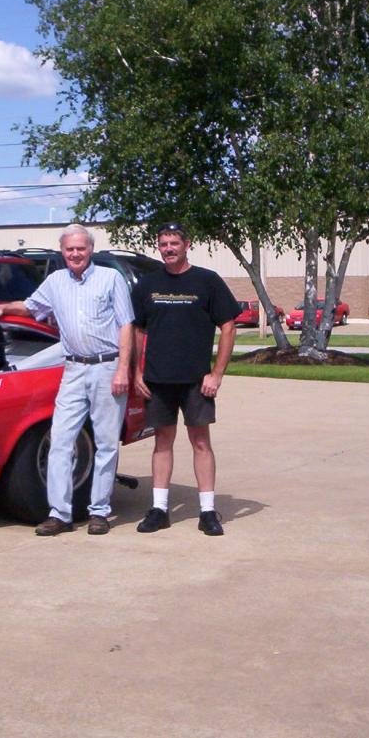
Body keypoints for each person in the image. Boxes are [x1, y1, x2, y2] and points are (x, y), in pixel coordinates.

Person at [0, 224, 134, 536]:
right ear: (62, 251)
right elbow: (30, 307)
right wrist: (3, 307)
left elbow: (126, 325)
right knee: (61, 440)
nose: (75, 254)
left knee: (106, 443)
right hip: (73, 369)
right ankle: (59, 514)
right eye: (70, 249)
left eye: (80, 248)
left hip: (107, 367)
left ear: (90, 249)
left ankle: (99, 512)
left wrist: (123, 369)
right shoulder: (55, 282)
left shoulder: (110, 278)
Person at [130, 222, 240, 536]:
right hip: (158, 380)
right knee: (162, 442)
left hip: (196, 381)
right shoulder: (148, 284)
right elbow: (138, 329)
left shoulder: (207, 281)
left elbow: (229, 326)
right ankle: (159, 509)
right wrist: (137, 372)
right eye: (164, 244)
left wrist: (216, 374)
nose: (168, 249)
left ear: (186, 245)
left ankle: (207, 511)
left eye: (174, 243)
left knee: (201, 442)